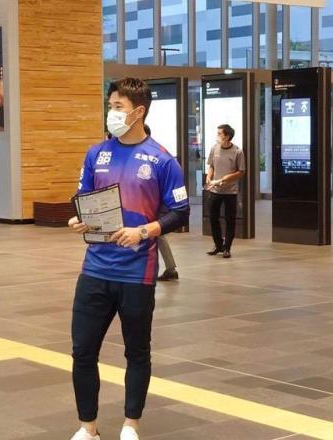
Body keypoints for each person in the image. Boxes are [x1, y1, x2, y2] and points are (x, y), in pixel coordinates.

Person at [68, 78, 189, 440]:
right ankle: (88, 428)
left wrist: (144, 231)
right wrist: (79, 218)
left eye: (117, 107)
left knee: (137, 351)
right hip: (95, 270)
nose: (111, 113)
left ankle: (130, 424)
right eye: (110, 106)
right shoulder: (97, 154)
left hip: (137, 273)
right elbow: (83, 198)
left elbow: (180, 212)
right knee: (82, 351)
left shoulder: (163, 160)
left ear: (138, 111)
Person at [141, 124, 179, 282]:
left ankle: (170, 268)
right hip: (146, 204)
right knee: (156, 235)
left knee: (157, 234)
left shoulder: (157, 155)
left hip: (156, 204)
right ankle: (170, 268)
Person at [206, 124, 245, 259]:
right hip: (215, 190)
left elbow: (241, 172)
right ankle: (218, 245)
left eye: (219, 134)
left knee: (230, 220)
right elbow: (211, 166)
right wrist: (209, 177)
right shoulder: (214, 148)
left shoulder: (237, 151)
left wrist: (224, 179)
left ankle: (227, 248)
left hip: (230, 192)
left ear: (227, 136)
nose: (217, 136)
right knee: (213, 218)